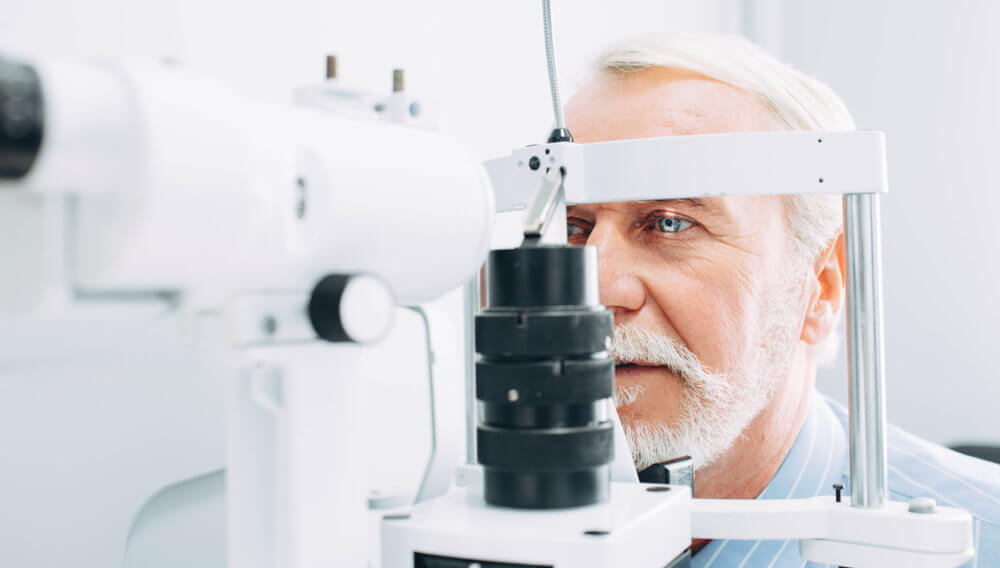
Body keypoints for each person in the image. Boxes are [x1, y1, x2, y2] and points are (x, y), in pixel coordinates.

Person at [563, 33, 1000, 567]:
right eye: (573, 228)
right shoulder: (474, 531)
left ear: (822, 287)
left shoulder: (983, 541)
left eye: (670, 223)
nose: (594, 287)